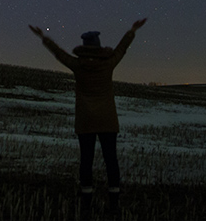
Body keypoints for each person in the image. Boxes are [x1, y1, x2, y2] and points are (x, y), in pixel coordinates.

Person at [29, 18, 147, 214]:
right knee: (111, 160)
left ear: (84, 47)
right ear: (99, 46)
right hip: (107, 121)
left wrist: (43, 37)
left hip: (85, 121)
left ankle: (86, 203)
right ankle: (114, 203)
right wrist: (132, 30)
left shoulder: (78, 65)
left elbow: (59, 54)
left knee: (86, 160)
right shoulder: (108, 64)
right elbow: (121, 49)